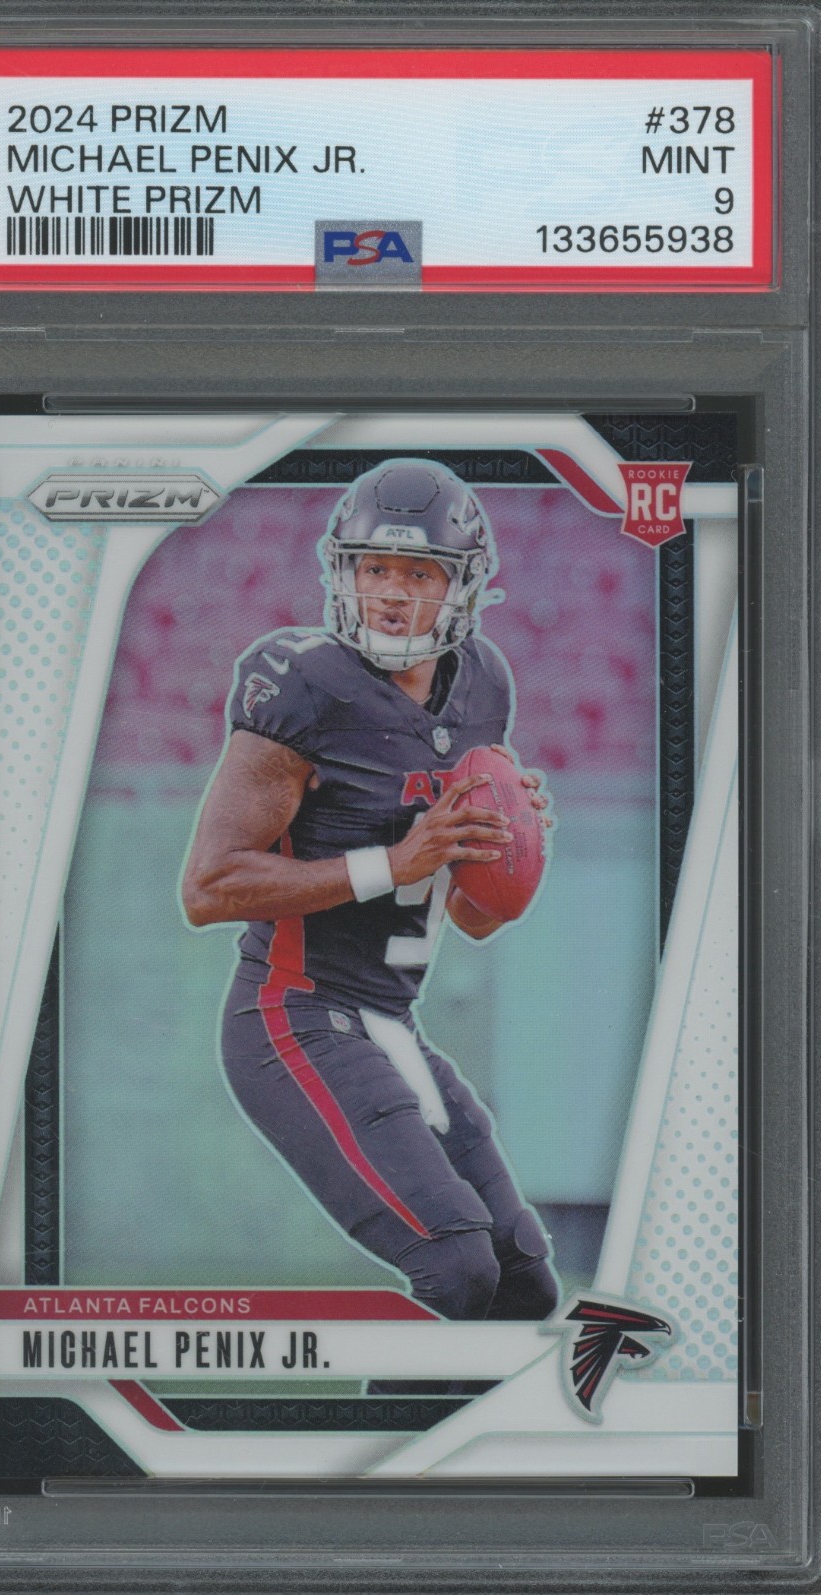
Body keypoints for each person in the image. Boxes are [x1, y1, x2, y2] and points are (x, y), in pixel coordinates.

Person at [181, 459, 561, 1324]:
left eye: (419, 574)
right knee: (457, 1267)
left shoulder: (484, 684)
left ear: (463, 587)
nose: (390, 593)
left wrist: (507, 847)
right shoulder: (302, 682)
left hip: (392, 1022)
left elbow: (473, 919)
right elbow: (207, 887)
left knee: (524, 1285)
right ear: (341, 572)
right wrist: (395, 861)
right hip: (293, 1015)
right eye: (373, 568)